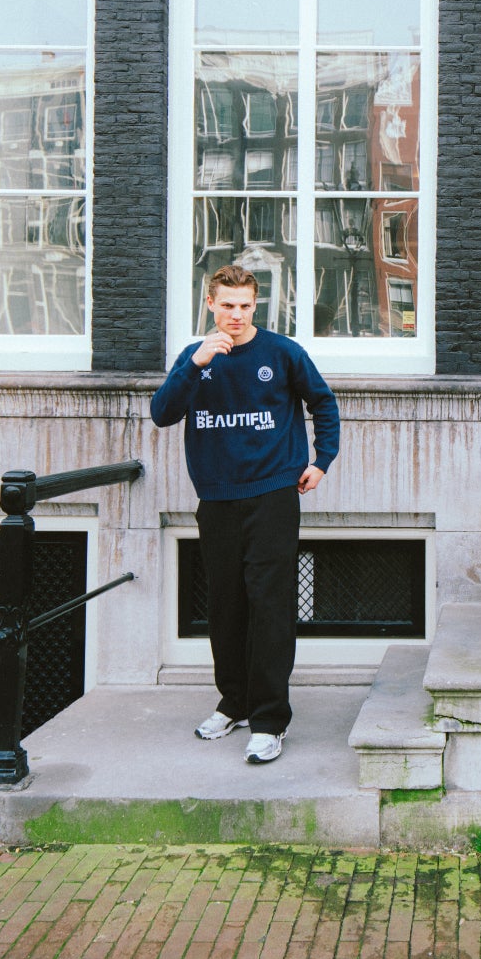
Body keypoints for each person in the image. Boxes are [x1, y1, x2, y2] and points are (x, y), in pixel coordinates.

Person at [150, 264, 339, 765]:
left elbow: (323, 403)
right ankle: (233, 702)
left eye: (246, 306)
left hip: (274, 494)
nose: (237, 315)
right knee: (226, 605)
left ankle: (270, 720)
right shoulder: (195, 357)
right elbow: (162, 413)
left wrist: (321, 460)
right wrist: (196, 364)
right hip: (216, 498)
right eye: (228, 305)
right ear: (210, 303)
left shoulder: (282, 353)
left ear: (256, 305)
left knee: (270, 606)